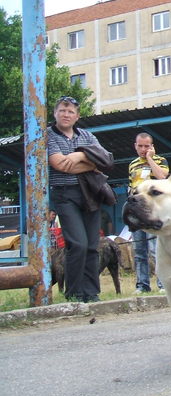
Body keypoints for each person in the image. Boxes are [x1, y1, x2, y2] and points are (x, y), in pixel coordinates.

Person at [48, 96, 112, 302]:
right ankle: (74, 293)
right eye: (62, 111)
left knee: (93, 244)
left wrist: (76, 156)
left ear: (77, 116)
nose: (66, 115)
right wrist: (88, 158)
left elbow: (104, 160)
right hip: (64, 194)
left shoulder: (87, 135)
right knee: (78, 243)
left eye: (71, 112)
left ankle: (91, 293)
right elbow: (59, 164)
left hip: (90, 194)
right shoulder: (48, 136)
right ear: (55, 113)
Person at [128, 132, 169, 295]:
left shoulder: (160, 160)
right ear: (135, 146)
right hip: (136, 210)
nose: (143, 149)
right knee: (139, 250)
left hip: (153, 209)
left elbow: (162, 177)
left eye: (147, 146)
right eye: (140, 146)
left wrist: (150, 159)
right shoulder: (132, 164)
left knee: (155, 248)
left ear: (152, 146)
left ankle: (162, 283)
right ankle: (142, 284)